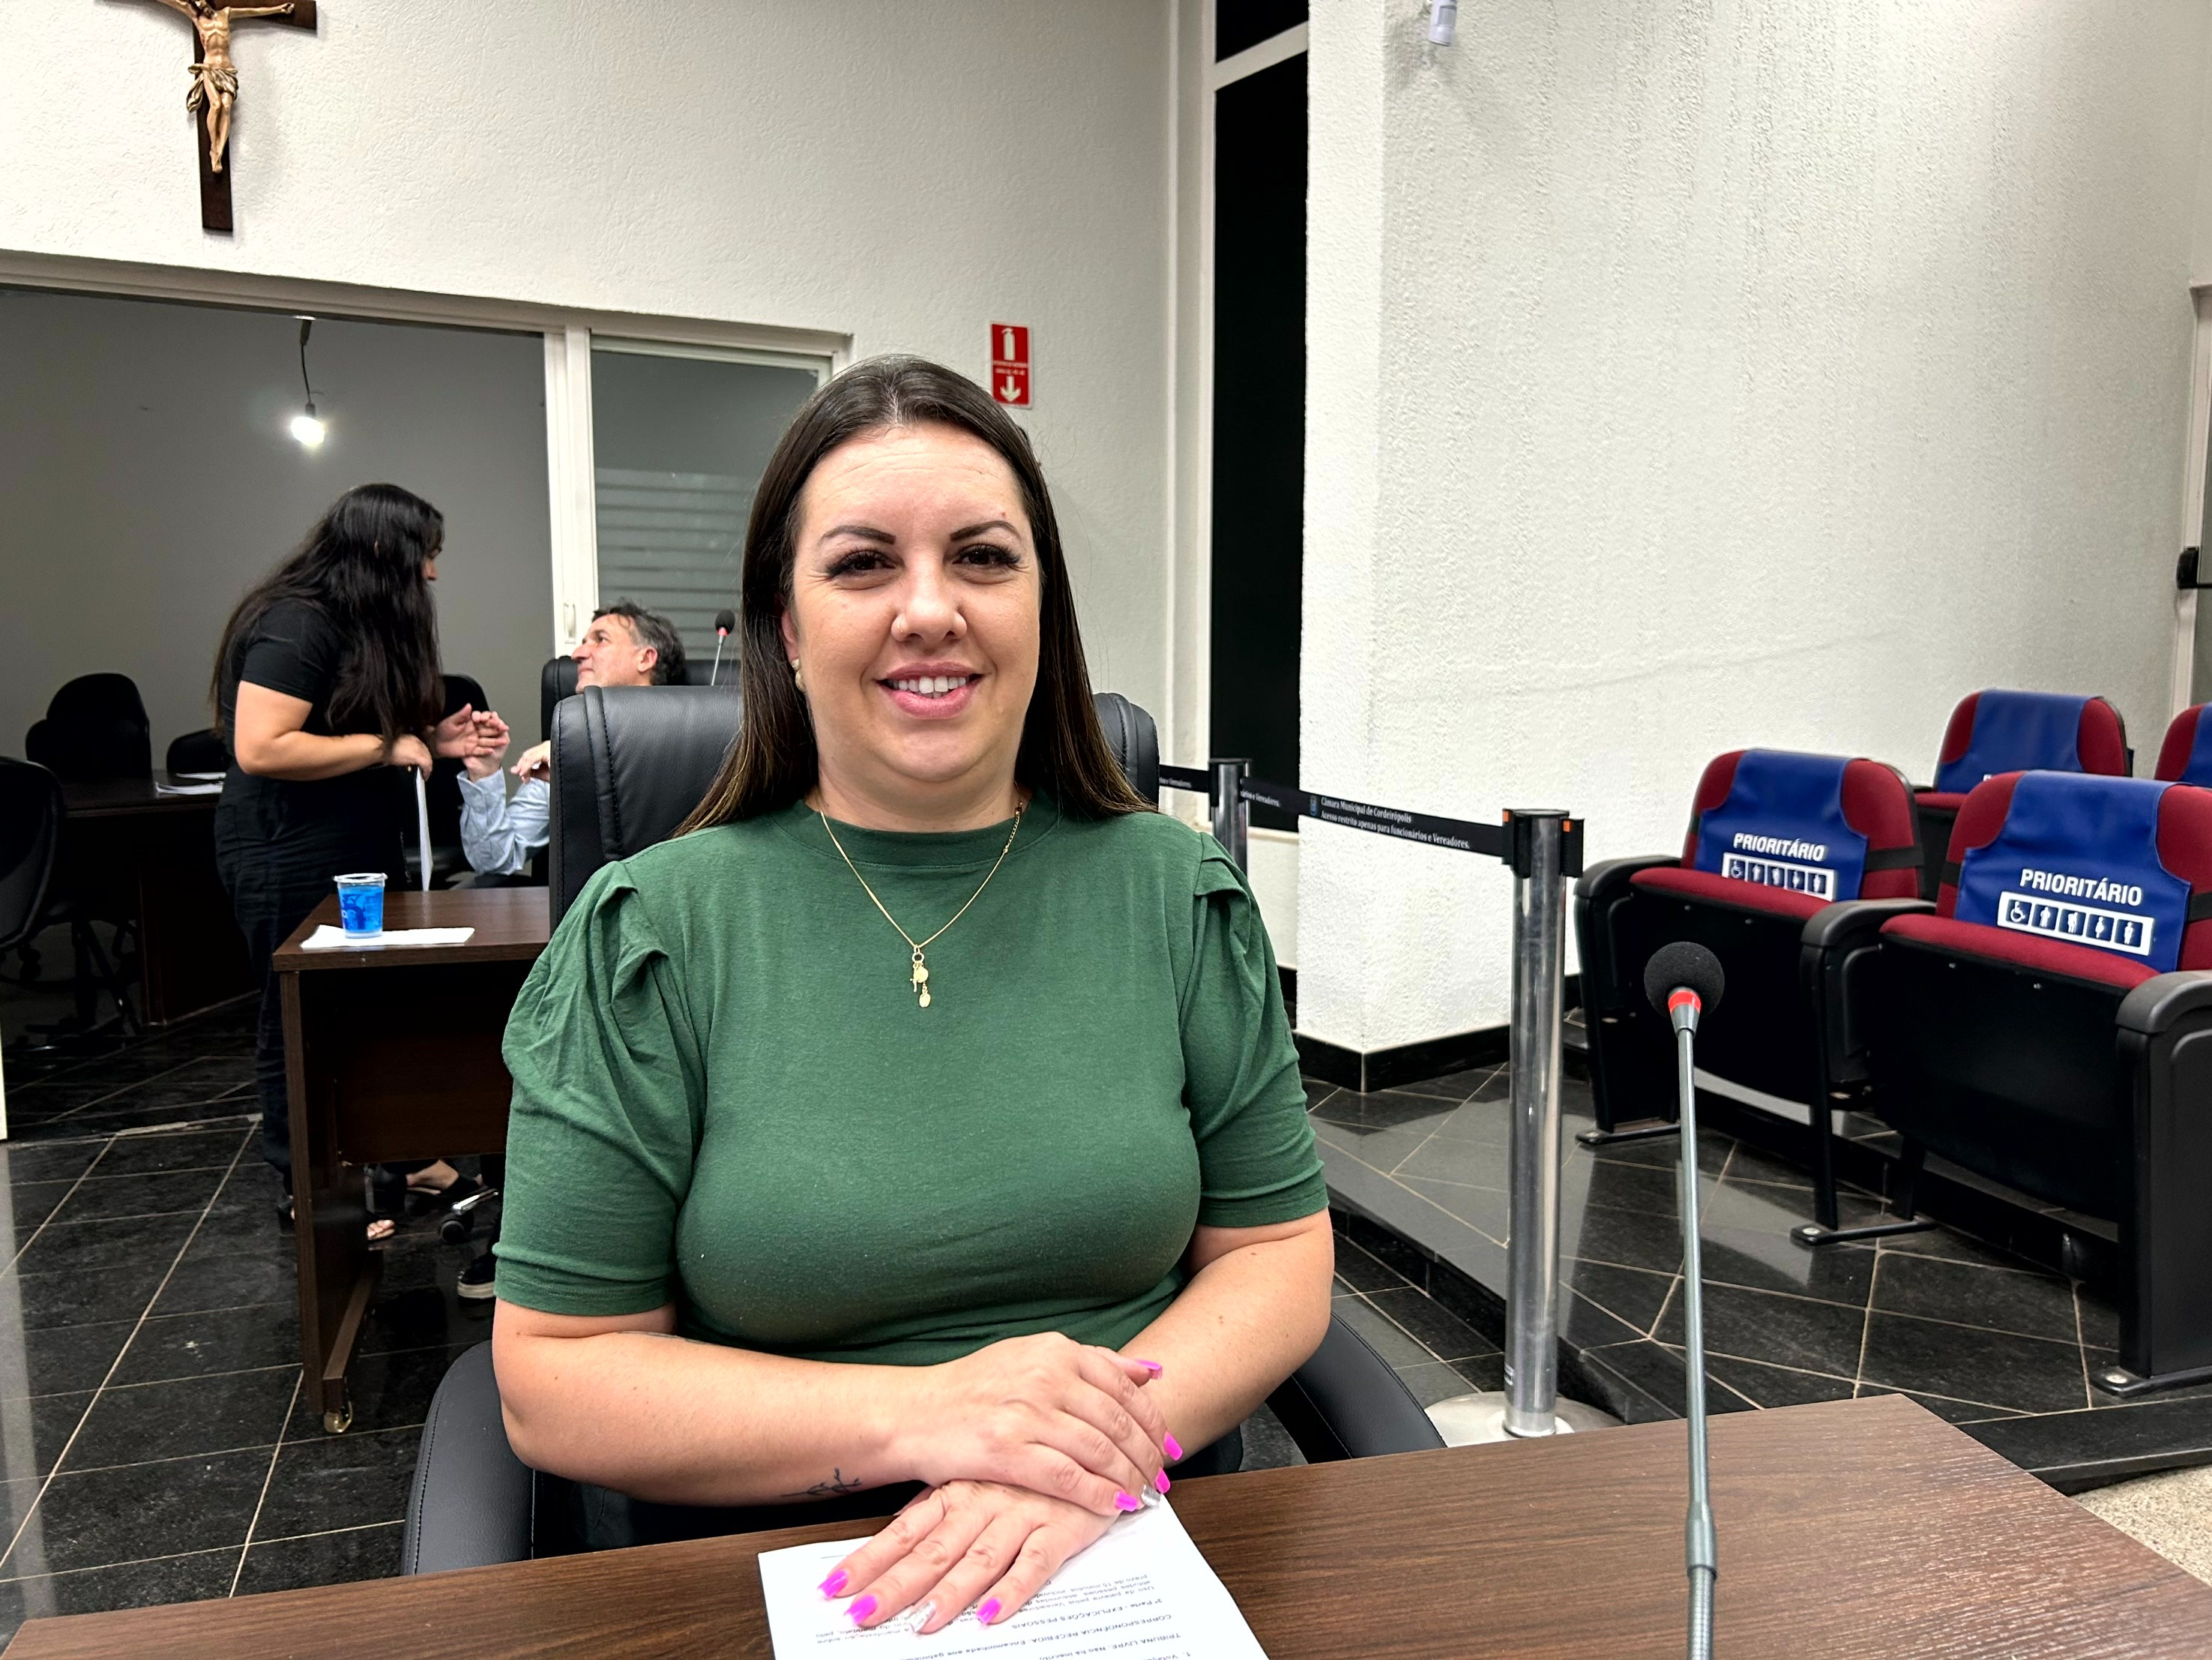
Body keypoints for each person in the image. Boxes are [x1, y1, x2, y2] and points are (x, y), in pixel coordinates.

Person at [492, 358, 1332, 1635]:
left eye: (983, 558)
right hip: (779, 1580)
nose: (929, 608)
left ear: (1042, 606)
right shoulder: (652, 934)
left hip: (1129, 1548)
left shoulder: (1176, 893)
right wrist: (933, 1414)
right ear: (785, 626)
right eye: (863, 564)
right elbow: (555, 1373)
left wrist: (1088, 1453)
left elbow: (1275, 1251)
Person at [212, 483, 500, 1231]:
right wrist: (385, 746)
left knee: (369, 1005)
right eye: (424, 556)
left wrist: (431, 742)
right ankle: (306, 1187)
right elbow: (262, 746)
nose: (431, 573)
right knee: (298, 1012)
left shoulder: (354, 627)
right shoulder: (297, 621)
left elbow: (350, 733)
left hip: (353, 841)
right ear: (379, 550)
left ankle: (399, 1161)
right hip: (283, 847)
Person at [455, 601, 687, 879]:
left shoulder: (690, 744)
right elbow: (494, 861)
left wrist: (583, 774)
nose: (577, 654)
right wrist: (484, 774)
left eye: (600, 640)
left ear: (645, 659)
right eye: (583, 642)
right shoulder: (565, 753)